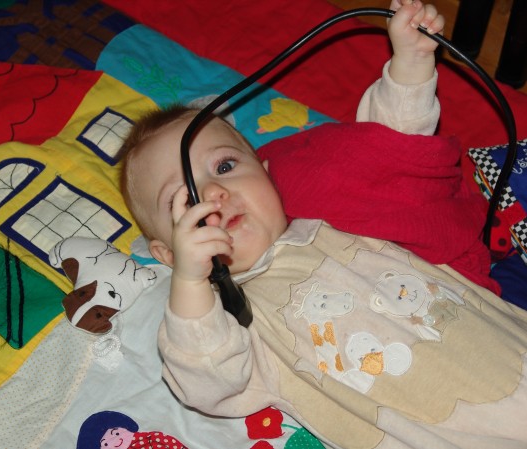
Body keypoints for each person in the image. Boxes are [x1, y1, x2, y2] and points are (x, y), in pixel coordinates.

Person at [120, 1, 527, 448]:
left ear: (266, 173)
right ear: (167, 253)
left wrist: (411, 63)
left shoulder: (333, 215)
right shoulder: (236, 326)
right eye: (184, 201)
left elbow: (385, 152)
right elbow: (204, 380)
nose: (213, 194)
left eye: (225, 166)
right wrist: (190, 284)